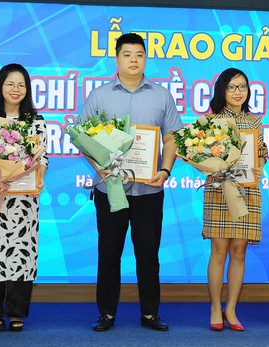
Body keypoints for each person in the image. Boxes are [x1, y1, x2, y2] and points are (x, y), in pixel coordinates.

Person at [77, 33, 183, 332]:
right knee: (109, 253)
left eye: (139, 54)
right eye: (127, 54)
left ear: (145, 58)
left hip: (149, 188)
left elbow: (172, 137)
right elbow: (83, 138)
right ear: (117, 59)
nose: (133, 59)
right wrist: (100, 168)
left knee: (148, 254)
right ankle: (106, 314)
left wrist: (166, 169)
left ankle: (150, 313)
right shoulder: (99, 95)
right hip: (110, 188)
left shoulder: (161, 95)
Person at [0, 63, 48, 332]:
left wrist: (39, 178)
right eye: (10, 84)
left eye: (21, 85)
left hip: (25, 200)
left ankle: (16, 312)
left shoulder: (36, 122)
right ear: (0, 87)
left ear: (28, 89)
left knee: (22, 254)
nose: (16, 89)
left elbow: (42, 158)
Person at [204, 68, 268, 332]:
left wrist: (259, 166)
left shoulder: (254, 122)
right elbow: (200, 155)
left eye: (242, 87)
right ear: (222, 90)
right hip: (219, 190)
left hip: (247, 189)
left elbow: (261, 152)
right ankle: (214, 307)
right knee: (219, 250)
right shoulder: (210, 120)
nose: (237, 92)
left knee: (239, 250)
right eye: (231, 87)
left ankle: (231, 308)